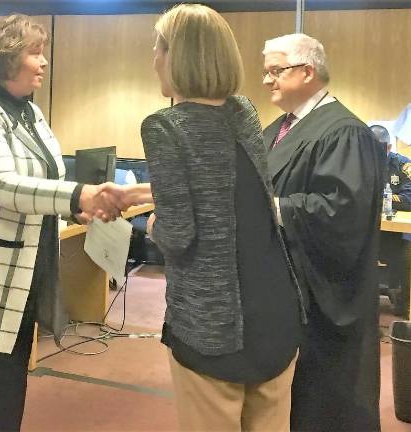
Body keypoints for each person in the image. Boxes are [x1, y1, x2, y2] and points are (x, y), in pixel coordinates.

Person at [0, 14, 127, 432]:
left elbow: (42, 176)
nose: (44, 62)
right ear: (7, 58)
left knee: (12, 374)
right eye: (35, 52)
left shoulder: (28, 112)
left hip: (21, 271)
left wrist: (71, 207)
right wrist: (75, 194)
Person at [134, 4, 303, 431]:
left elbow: (178, 233)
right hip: (277, 312)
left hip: (216, 327)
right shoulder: (244, 111)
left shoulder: (164, 126)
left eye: (157, 47)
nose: (153, 59)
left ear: (177, 55)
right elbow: (225, 190)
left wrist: (146, 222)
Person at [263, 33, 383, 431]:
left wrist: (269, 207)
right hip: (284, 288)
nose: (267, 81)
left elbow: (340, 212)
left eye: (275, 71)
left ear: (307, 71)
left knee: (327, 401)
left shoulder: (344, 132)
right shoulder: (278, 128)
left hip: (325, 292)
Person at [371, 124, 411, 317]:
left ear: (388, 148)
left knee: (404, 256)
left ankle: (402, 299)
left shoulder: (403, 165)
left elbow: (409, 198)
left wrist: (381, 199)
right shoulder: (359, 164)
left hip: (398, 235)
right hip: (369, 231)